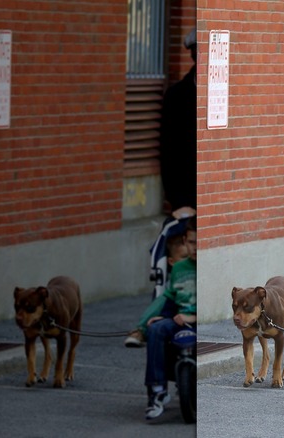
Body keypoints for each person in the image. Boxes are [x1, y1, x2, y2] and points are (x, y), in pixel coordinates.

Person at [144, 216, 197, 420]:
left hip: (197, 323)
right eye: (192, 242)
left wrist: (193, 318)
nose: (195, 248)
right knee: (156, 330)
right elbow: (172, 299)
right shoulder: (179, 268)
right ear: (185, 241)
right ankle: (157, 391)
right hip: (178, 319)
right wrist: (161, 316)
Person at [124, 234, 189, 347]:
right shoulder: (177, 274)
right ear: (171, 261)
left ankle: (141, 330)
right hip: (176, 305)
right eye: (183, 257)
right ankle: (141, 330)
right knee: (163, 299)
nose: (187, 261)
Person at [159, 29, 197, 219]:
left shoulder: (233, 94)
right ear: (193, 55)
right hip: (188, 202)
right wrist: (179, 202)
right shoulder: (177, 97)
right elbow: (169, 153)